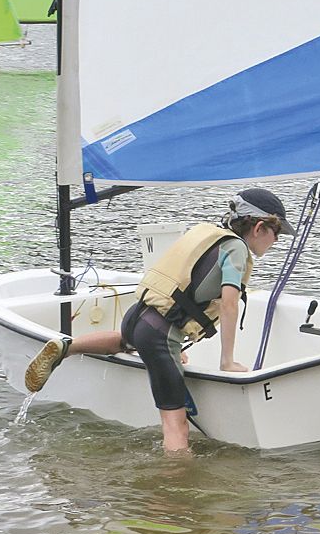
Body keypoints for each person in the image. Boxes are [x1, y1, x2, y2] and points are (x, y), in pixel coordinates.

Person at [22, 187, 293, 454]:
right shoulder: (236, 249)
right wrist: (227, 362)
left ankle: (67, 347)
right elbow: (230, 304)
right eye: (276, 232)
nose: (277, 240)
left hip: (137, 318)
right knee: (177, 428)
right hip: (160, 335)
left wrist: (175, 349)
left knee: (123, 341)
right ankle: (170, 494)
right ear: (258, 228)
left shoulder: (208, 234)